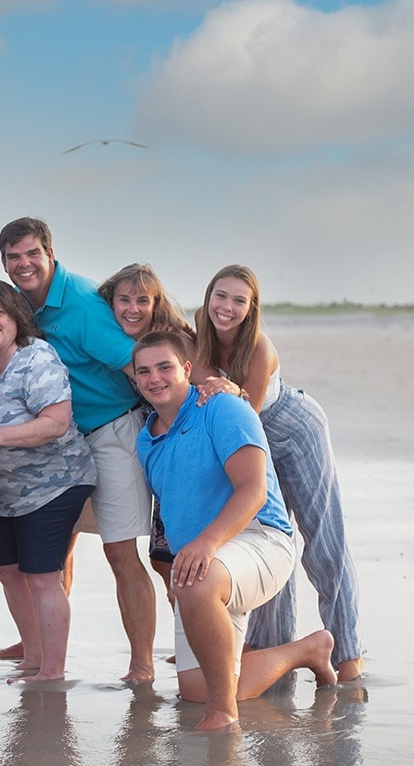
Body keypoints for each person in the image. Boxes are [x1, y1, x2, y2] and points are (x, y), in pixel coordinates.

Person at [132, 330, 336, 730]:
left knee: (194, 584)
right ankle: (310, 649)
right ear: (135, 380)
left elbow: (254, 490)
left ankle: (223, 713)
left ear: (186, 370)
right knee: (195, 688)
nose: (154, 378)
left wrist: (205, 544)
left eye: (164, 367)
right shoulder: (146, 438)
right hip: (208, 558)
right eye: (144, 371)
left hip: (262, 538)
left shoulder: (222, 407)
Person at [0, 217, 157, 683]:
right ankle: (40, 645)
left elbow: (136, 364)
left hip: (111, 432)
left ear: (50, 252)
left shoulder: (83, 304)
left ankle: (141, 663)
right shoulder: (26, 304)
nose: (24, 264)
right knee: (54, 550)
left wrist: (177, 421)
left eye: (32, 254)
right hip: (63, 440)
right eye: (14, 257)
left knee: (120, 552)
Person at [193, 265, 364, 682]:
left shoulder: (260, 349)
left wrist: (231, 391)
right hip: (255, 438)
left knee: (324, 542)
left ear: (251, 309)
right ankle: (274, 648)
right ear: (208, 296)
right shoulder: (199, 330)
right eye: (220, 296)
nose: (226, 307)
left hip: (292, 429)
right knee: (271, 538)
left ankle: (348, 653)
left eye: (239, 300)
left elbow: (245, 419)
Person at [0, 280, 96, 682]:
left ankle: (52, 670)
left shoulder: (36, 358)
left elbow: (56, 423)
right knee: (7, 570)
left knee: (41, 577)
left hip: (55, 482)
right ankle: (33, 657)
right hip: (2, 490)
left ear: (15, 316)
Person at [98, 264, 202, 592]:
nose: (132, 309)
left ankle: (201, 636)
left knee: (182, 558)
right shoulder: (117, 344)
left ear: (156, 303)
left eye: (142, 300)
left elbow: (207, 386)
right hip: (157, 450)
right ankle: (187, 637)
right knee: (162, 558)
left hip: (189, 449)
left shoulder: (175, 340)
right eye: (124, 300)